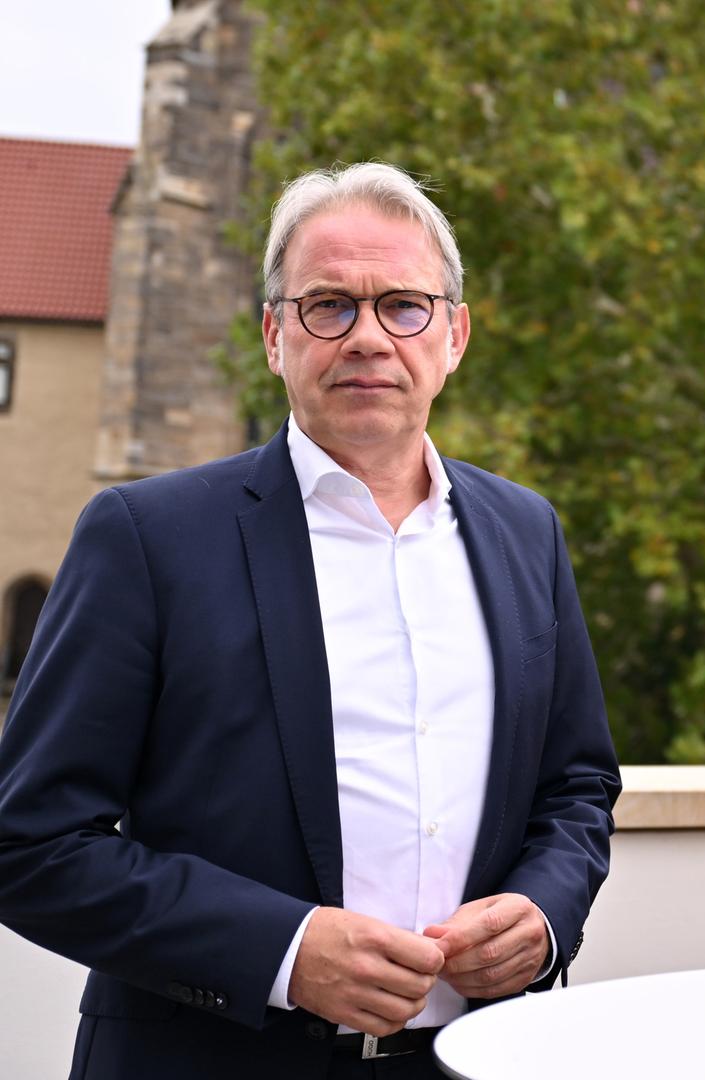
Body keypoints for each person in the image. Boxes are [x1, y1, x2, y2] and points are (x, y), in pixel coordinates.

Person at [0, 162, 622, 1079]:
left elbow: (576, 785)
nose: (368, 337)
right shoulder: (148, 538)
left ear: (454, 336)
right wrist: (284, 954)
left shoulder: (524, 531)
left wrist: (542, 914)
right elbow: (31, 843)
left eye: (404, 306)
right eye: (327, 305)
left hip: (473, 1057)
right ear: (273, 336)